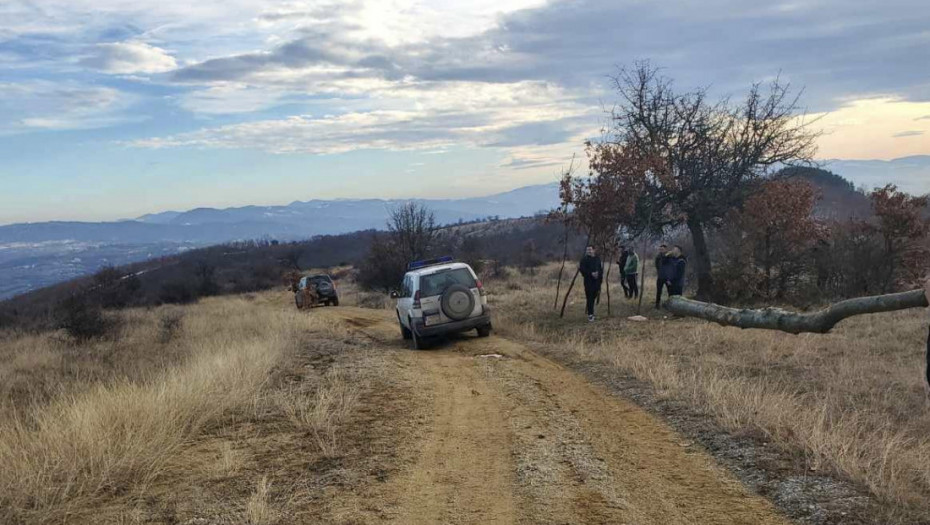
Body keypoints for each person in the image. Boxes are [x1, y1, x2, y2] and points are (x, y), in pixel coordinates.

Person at [579, 245, 603, 322]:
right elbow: (582, 270)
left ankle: (591, 312)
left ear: (593, 250)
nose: (588, 251)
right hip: (588, 281)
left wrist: (598, 275)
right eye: (587, 250)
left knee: (594, 297)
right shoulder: (584, 260)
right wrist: (591, 274)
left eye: (590, 250)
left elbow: (600, 269)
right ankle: (590, 315)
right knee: (589, 298)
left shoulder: (597, 259)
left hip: (597, 282)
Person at [654, 243, 669, 308]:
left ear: (666, 249)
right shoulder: (658, 256)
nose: (661, 250)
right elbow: (656, 265)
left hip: (667, 277)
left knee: (670, 291)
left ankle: (670, 304)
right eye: (660, 249)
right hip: (660, 276)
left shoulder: (669, 256)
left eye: (662, 249)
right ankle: (657, 304)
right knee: (659, 291)